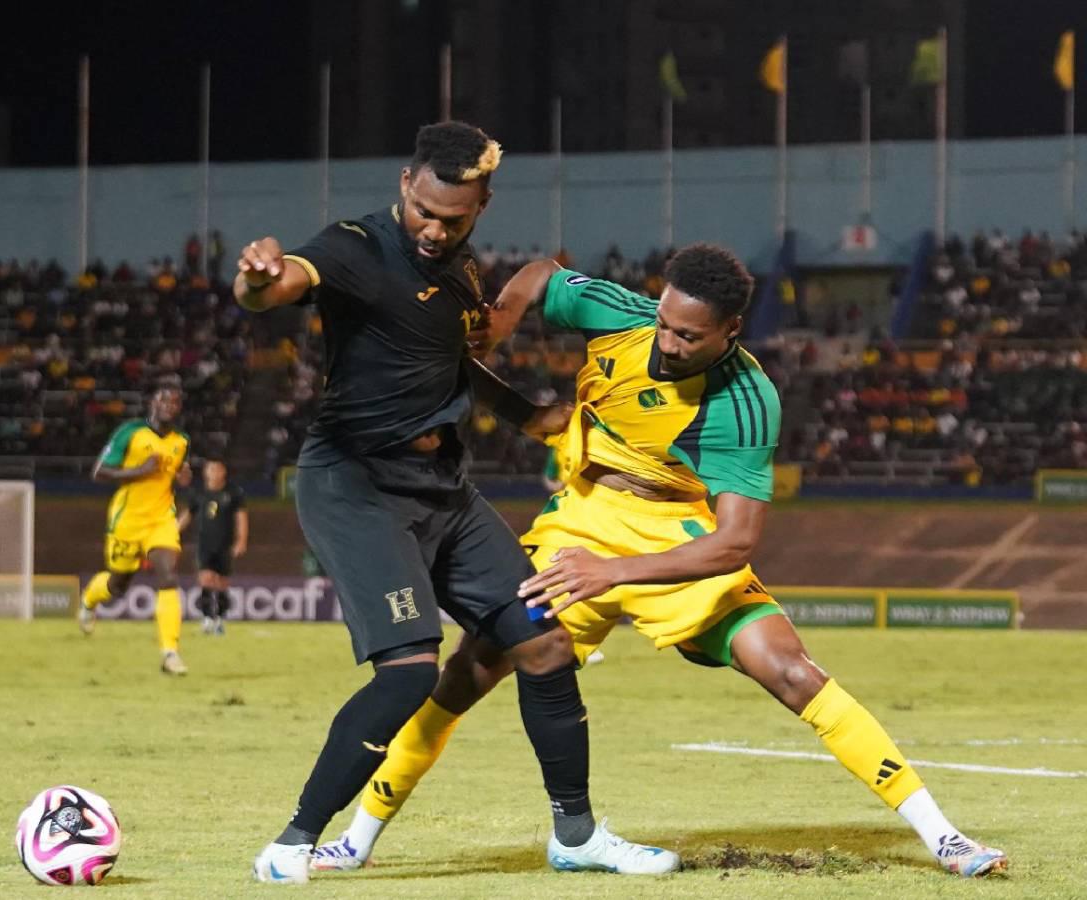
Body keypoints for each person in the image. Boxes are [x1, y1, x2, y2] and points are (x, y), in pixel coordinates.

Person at [311, 245, 1008, 879]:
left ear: (730, 330)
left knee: (791, 669)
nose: (667, 343)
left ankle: (943, 836)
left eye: (688, 336)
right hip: (581, 521)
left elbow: (734, 543)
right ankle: (358, 837)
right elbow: (541, 274)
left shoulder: (745, 402)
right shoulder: (622, 316)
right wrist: (501, 327)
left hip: (675, 535)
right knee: (469, 671)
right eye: (666, 323)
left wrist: (610, 572)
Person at [234, 120, 675, 884]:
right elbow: (278, 287)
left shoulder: (462, 272)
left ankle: (576, 837)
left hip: (444, 490)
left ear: (482, 206)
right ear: (406, 185)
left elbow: (462, 358)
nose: (435, 230)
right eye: (425, 213)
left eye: (455, 219)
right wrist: (256, 277)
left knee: (544, 643)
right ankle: (292, 845)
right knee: (408, 671)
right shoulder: (355, 248)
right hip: (357, 485)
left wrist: (530, 415)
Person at [77, 381, 192, 676]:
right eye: (164, 399)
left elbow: (176, 475)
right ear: (153, 403)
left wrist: (183, 479)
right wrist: (139, 471)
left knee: (168, 574)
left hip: (161, 520)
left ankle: (170, 653)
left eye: (175, 401)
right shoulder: (130, 432)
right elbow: (99, 472)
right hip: (127, 521)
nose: (169, 405)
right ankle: (90, 599)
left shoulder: (182, 441)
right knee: (119, 586)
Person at [176, 457, 248, 635]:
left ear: (224, 472)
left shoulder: (233, 493)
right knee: (206, 578)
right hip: (204, 544)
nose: (214, 473)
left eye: (218, 469)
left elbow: (241, 518)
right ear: (205, 472)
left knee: (222, 582)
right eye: (211, 469)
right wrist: (172, 533)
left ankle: (220, 619)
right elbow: (187, 516)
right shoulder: (198, 494)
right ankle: (208, 618)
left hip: (225, 545)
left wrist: (241, 540)